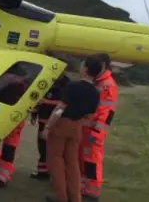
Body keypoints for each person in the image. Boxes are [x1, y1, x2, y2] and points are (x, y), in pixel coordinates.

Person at [41, 56, 101, 202]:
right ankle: (75, 197)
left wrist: (47, 127)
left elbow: (60, 108)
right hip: (77, 127)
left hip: (62, 125)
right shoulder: (95, 92)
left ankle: (60, 196)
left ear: (86, 69)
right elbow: (90, 114)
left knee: (56, 160)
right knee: (72, 162)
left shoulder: (73, 86)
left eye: (82, 66)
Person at [80, 53, 118, 201]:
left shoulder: (107, 84)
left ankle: (92, 192)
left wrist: (97, 132)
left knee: (92, 160)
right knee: (84, 159)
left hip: (94, 130)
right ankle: (84, 186)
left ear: (102, 65)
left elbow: (107, 112)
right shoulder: (97, 81)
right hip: (86, 127)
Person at [0, 66, 28, 188]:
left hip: (13, 119)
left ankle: (3, 175)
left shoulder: (19, 86)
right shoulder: (4, 83)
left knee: (8, 147)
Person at [30, 74, 71, 180]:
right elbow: (38, 98)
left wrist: (46, 102)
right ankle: (43, 172)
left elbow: (64, 104)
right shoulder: (47, 80)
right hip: (43, 120)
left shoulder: (67, 85)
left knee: (54, 149)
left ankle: (56, 174)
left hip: (56, 122)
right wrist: (34, 113)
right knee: (42, 147)